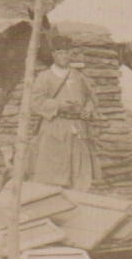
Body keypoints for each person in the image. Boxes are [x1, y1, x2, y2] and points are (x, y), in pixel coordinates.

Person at [27, 43, 98, 189]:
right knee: (54, 168)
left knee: (79, 169)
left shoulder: (78, 76)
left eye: (67, 53)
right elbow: (35, 101)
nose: (64, 56)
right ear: (53, 55)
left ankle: (77, 198)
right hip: (55, 127)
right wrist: (58, 105)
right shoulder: (44, 77)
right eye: (60, 53)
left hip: (78, 128)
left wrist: (88, 108)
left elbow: (91, 97)